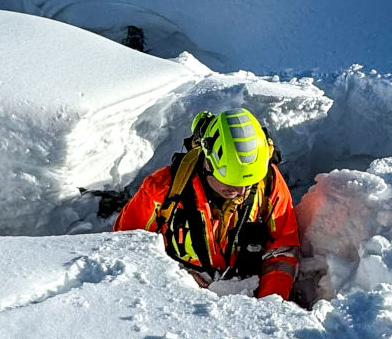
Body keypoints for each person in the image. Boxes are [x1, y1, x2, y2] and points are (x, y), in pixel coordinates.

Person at [114, 108, 300, 299]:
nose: (241, 192)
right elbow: (124, 249)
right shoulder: (161, 190)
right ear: (209, 164)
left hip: (249, 295)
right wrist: (174, 275)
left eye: (248, 184)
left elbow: (282, 251)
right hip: (176, 301)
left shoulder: (268, 182)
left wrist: (270, 302)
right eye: (231, 183)